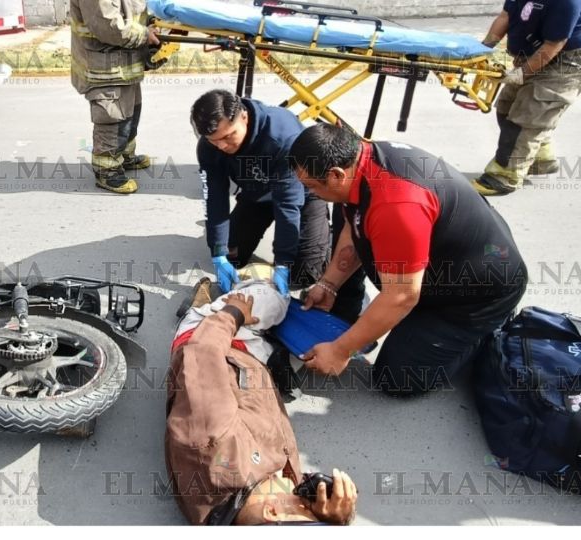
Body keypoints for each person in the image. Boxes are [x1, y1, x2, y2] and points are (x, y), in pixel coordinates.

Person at [287, 124, 529, 396]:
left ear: (336, 174)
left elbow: (402, 297)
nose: (311, 194)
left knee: (398, 379)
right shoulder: (360, 161)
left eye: (311, 186)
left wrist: (340, 351)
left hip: (477, 294)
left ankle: (489, 330)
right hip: (443, 267)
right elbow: (353, 225)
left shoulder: (395, 204)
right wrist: (329, 283)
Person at [166, 281, 358, 525]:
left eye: (308, 512)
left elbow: (202, 353)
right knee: (309, 355)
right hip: (255, 373)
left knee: (274, 294)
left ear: (273, 511)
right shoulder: (258, 503)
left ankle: (205, 306)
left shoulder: (215, 439)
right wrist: (339, 519)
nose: (311, 507)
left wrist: (234, 313)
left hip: (212, 339)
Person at [190, 89, 364, 322]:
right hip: (257, 193)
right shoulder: (209, 147)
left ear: (243, 116)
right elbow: (215, 198)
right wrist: (218, 252)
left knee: (303, 273)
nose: (222, 146)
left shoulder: (281, 135)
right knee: (232, 255)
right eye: (215, 140)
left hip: (303, 194)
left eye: (228, 136)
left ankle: (325, 239)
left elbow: (288, 204)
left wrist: (283, 262)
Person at [473, 0, 581, 196]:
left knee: (527, 117)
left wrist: (522, 74)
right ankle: (541, 158)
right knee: (506, 107)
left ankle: (503, 176)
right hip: (531, 54)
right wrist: (483, 50)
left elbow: (554, 44)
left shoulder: (567, 2)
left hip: (564, 63)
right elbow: (505, 16)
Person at [70, 0, 160, 194]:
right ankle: (107, 170)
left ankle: (125, 156)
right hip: (104, 65)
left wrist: (152, 21)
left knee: (131, 111)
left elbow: (131, 10)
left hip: (124, 62)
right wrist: (145, 35)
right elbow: (107, 25)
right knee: (113, 115)